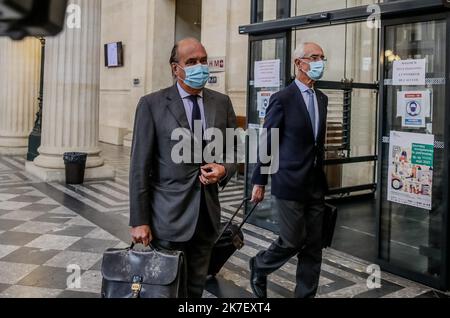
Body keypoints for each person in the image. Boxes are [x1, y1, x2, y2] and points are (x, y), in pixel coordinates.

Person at [129, 38, 238, 298]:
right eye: (191, 62)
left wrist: (224, 169)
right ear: (175, 68)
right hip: (167, 219)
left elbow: (236, 149)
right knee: (166, 290)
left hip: (206, 217)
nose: (200, 66)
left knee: (194, 289)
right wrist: (139, 220)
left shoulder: (221, 102)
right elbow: (139, 167)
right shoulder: (152, 104)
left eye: (203, 60)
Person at [249, 42, 329, 298]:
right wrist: (259, 181)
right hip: (289, 182)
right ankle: (259, 266)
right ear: (298, 63)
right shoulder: (282, 99)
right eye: (314, 57)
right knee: (292, 241)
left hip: (315, 184)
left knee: (313, 247)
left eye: (322, 58)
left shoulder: (322, 98)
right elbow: (267, 141)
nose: (319, 62)